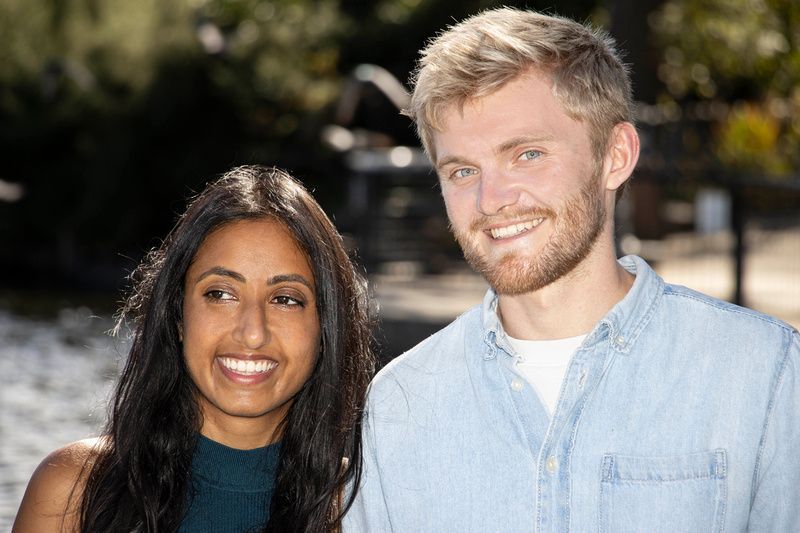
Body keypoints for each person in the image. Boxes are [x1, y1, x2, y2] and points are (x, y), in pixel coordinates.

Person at [344, 7, 800, 532]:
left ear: (616, 155)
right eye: (463, 170)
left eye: (528, 154)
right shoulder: (401, 400)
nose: (491, 200)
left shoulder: (760, 373)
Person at [14, 165, 375, 532]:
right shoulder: (73, 496)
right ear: (178, 316)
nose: (252, 333)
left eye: (285, 299)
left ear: (325, 326)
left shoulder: (364, 510)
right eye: (220, 294)